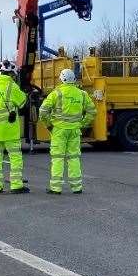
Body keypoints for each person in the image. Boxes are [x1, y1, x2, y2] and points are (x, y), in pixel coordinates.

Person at [39, 67, 96, 195]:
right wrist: (82, 124)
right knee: (74, 158)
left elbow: (42, 111)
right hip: (75, 130)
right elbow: (92, 112)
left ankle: (56, 188)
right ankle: (76, 187)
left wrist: (49, 125)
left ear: (61, 79)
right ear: (74, 80)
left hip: (59, 131)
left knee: (58, 158)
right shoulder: (82, 94)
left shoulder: (56, 93)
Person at [0, 60, 29, 195]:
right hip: (9, 130)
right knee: (15, 157)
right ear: (12, 74)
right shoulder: (12, 86)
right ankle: (16, 185)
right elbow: (22, 102)